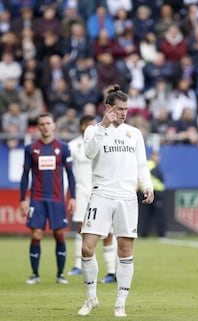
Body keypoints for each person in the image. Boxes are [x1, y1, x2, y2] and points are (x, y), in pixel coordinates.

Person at [78, 84, 154, 317]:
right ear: (108, 107)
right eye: (120, 108)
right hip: (101, 193)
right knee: (87, 247)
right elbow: (89, 154)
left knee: (125, 250)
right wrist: (103, 126)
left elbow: (142, 163)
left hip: (126, 197)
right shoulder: (93, 130)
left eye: (126, 109)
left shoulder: (134, 133)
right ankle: (91, 298)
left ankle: (120, 303)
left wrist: (148, 185)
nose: (123, 113)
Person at [19, 112, 76, 285]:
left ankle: (60, 274)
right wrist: (23, 199)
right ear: (38, 127)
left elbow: (70, 175)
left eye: (48, 123)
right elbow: (25, 175)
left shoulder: (63, 148)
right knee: (36, 234)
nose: (45, 126)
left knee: (59, 234)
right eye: (42, 124)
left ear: (54, 125)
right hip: (37, 198)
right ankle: (35, 274)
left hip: (57, 199)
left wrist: (73, 197)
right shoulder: (31, 148)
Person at [67, 114, 117, 283]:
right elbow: (68, 173)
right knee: (81, 229)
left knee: (108, 232)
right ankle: (78, 265)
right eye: (89, 125)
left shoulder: (104, 142)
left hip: (103, 192)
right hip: (82, 192)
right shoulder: (73, 146)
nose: (93, 127)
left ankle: (111, 271)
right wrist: (70, 194)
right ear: (82, 127)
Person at [138, 151, 166, 237]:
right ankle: (161, 233)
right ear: (152, 156)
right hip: (153, 192)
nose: (158, 158)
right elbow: (160, 178)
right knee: (157, 214)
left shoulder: (151, 165)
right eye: (156, 156)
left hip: (147, 192)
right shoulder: (151, 165)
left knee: (145, 214)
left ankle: (143, 233)